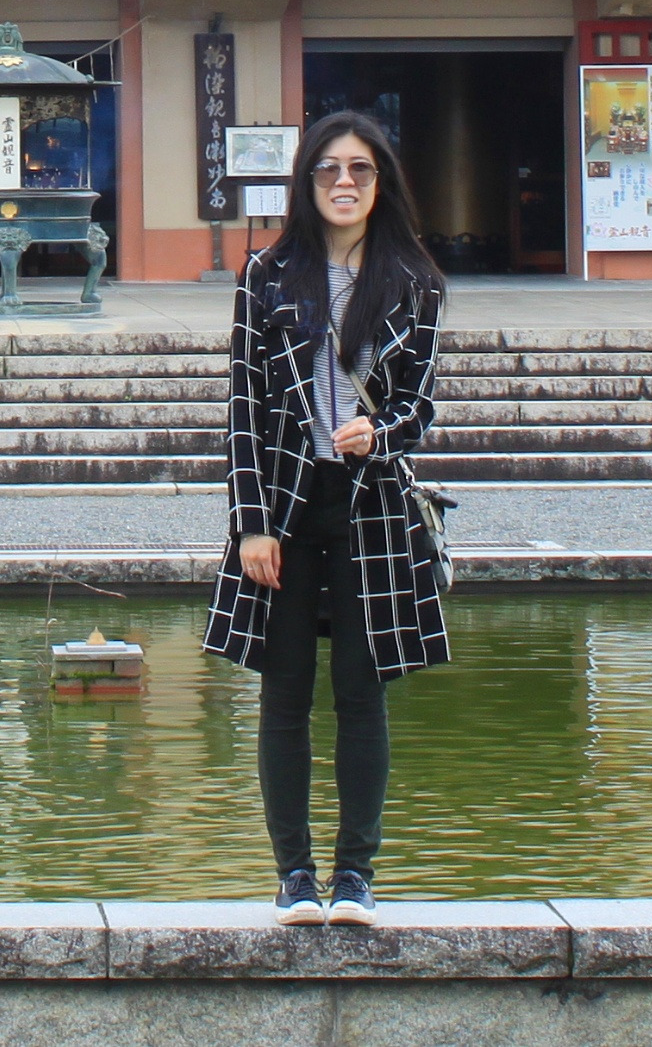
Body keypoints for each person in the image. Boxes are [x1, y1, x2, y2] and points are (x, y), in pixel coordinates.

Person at [204, 110, 448, 925]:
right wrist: (250, 524)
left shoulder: (415, 282)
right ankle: (293, 876)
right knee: (283, 695)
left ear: (381, 184)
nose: (345, 182)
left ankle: (354, 876)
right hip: (283, 503)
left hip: (369, 505)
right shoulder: (266, 276)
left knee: (360, 694)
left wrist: (380, 432)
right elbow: (241, 409)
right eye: (328, 170)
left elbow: (420, 408)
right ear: (305, 184)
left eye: (361, 169)